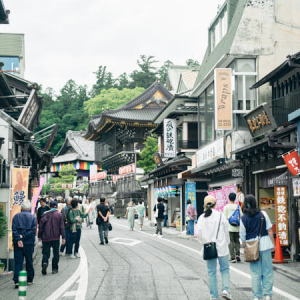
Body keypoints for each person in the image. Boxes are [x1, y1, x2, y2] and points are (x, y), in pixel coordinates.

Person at [196, 195, 232, 300]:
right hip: (222, 247)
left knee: (211, 272)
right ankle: (225, 290)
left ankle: (213, 296)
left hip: (209, 247)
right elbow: (226, 231)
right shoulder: (221, 215)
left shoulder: (202, 218)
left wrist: (204, 242)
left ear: (204, 205)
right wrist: (227, 242)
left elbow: (198, 233)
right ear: (215, 204)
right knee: (225, 269)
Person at [240, 194, 275, 300]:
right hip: (265, 244)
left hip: (251, 246)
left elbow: (242, 235)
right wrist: (273, 244)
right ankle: (268, 294)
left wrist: (245, 247)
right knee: (267, 271)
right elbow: (269, 229)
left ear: (245, 204)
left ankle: (256, 296)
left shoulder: (243, 218)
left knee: (255, 273)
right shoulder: (263, 214)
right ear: (255, 202)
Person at [12, 200, 37, 288]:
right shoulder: (33, 218)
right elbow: (33, 231)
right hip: (28, 243)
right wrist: (23, 236)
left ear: (21, 208)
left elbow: (14, 230)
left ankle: (17, 280)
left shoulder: (16, 216)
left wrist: (18, 238)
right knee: (29, 261)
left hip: (17, 243)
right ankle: (29, 279)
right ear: (29, 209)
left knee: (18, 261)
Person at [38, 201, 66, 275]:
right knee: (56, 253)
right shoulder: (59, 215)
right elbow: (62, 227)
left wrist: (39, 236)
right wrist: (63, 237)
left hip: (45, 237)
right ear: (56, 207)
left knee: (45, 252)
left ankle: (45, 262)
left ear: (49, 207)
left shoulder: (45, 214)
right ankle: (54, 268)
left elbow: (41, 226)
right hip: (56, 237)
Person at [223, 193, 243, 263]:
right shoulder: (238, 207)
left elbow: (224, 218)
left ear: (228, 198)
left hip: (229, 227)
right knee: (237, 240)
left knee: (231, 241)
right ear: (235, 199)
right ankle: (238, 255)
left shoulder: (226, 207)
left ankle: (232, 257)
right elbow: (241, 215)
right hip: (237, 227)